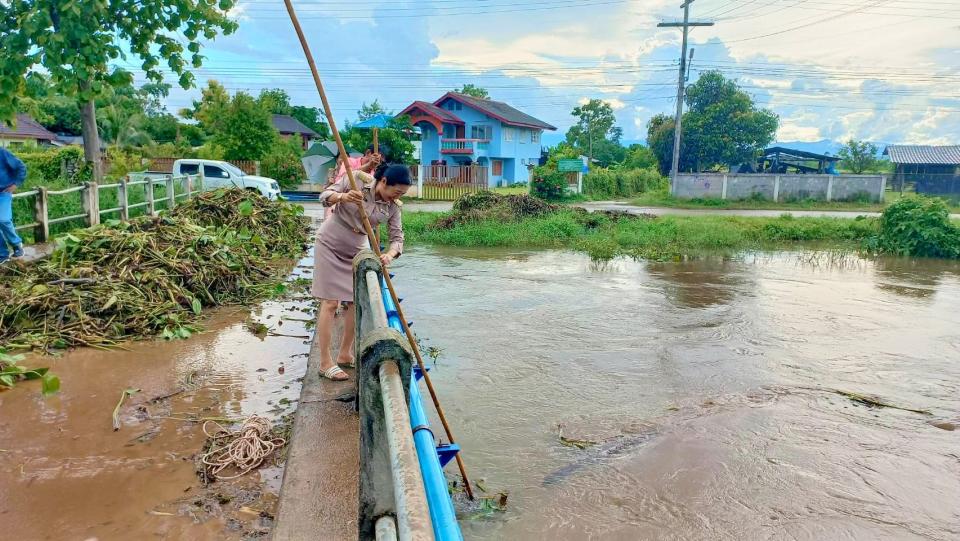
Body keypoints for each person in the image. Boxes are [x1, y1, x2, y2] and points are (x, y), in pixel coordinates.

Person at [312, 163, 410, 381]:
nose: (398, 196)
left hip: (357, 250)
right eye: (397, 191)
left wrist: (389, 255)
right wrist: (342, 198)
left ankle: (345, 354)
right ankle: (325, 362)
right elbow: (324, 196)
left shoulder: (393, 207)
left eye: (402, 193)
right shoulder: (355, 179)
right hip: (330, 243)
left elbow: (397, 239)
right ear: (383, 181)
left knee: (354, 304)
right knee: (330, 303)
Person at [0, 147, 26, 264]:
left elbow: (21, 167)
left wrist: (16, 184)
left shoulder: (2, 153)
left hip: (3, 193)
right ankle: (3, 254)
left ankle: (16, 244)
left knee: (3, 219)